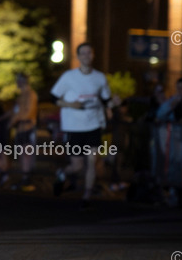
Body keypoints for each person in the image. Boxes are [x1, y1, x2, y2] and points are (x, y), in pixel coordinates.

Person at [51, 42, 112, 209]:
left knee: (92, 161)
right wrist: (71, 105)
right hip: (73, 126)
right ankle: (63, 173)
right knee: (77, 166)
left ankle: (87, 196)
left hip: (93, 125)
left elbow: (107, 100)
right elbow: (53, 97)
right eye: (83, 53)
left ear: (93, 56)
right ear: (78, 57)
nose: (86, 56)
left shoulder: (100, 77)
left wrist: (114, 105)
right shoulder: (68, 77)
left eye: (89, 53)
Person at [8, 72, 39, 191]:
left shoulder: (30, 94)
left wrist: (13, 120)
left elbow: (27, 112)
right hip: (21, 128)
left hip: (27, 127)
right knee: (22, 154)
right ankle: (24, 178)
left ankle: (27, 179)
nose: (17, 83)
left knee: (26, 154)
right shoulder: (22, 95)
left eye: (18, 80)